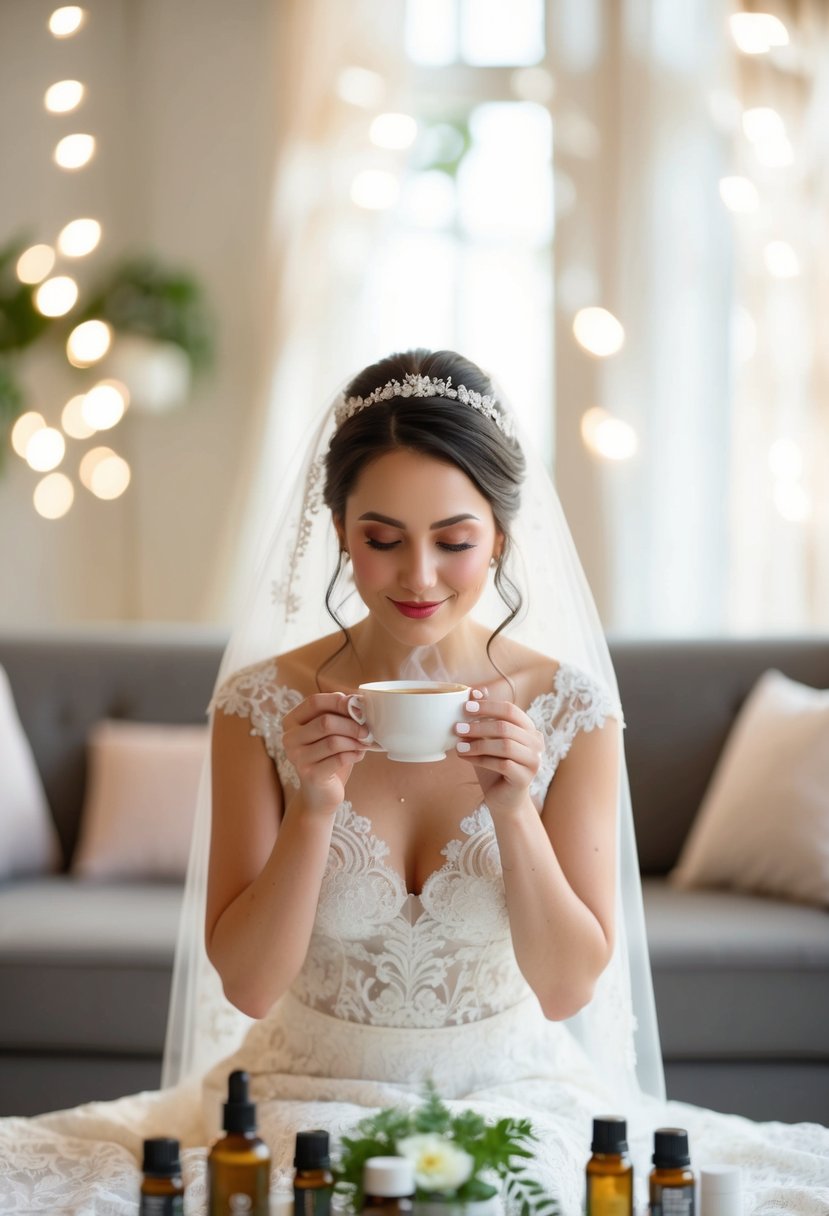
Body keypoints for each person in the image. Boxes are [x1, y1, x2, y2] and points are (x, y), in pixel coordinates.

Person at [1, 350, 827, 1216]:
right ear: (339, 530)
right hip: (299, 1101)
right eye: (381, 539)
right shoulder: (257, 707)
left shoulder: (573, 713)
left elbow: (566, 989)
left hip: (512, 1099)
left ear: (501, 537)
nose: (418, 576)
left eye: (455, 541)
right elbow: (246, 985)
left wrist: (514, 808)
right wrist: (313, 808)